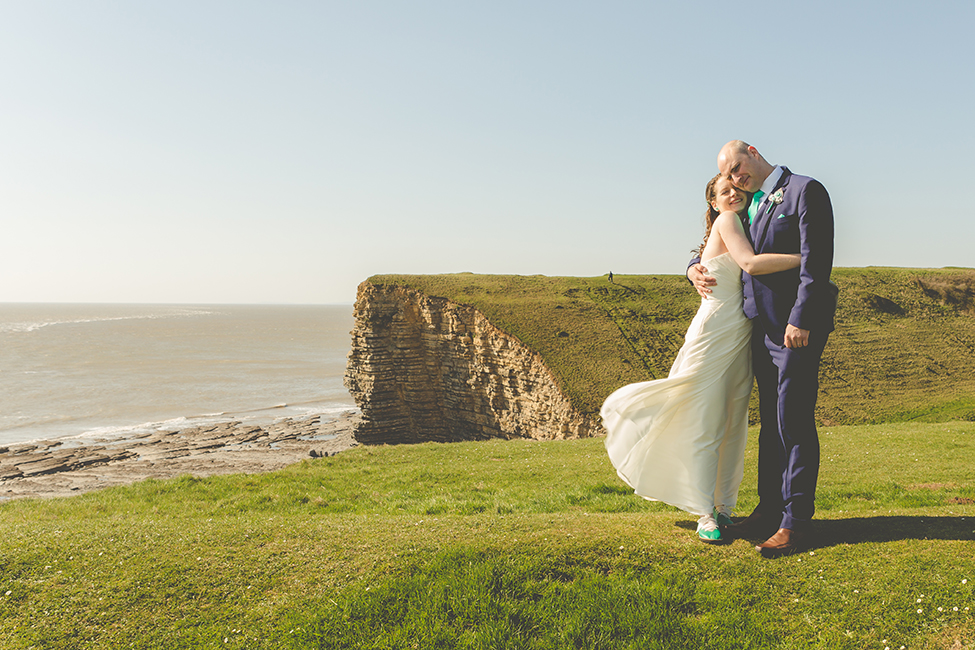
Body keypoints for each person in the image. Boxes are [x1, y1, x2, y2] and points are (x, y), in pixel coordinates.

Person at [601, 175, 800, 544]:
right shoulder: (728, 220)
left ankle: (724, 507)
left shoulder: (744, 222)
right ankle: (705, 513)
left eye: (736, 188)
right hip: (715, 330)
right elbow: (750, 264)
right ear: (713, 202)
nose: (732, 193)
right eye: (723, 191)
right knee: (706, 420)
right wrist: (808, 259)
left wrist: (693, 264)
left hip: (739, 334)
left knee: (732, 423)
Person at [688, 141, 835, 557]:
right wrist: (692, 267)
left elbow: (817, 260)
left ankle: (796, 522)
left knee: (794, 421)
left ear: (752, 152)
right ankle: (770, 509)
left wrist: (801, 318)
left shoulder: (805, 190)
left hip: (793, 328)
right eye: (729, 177)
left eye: (738, 168)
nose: (736, 180)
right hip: (759, 331)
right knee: (771, 424)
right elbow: (725, 249)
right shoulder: (746, 206)